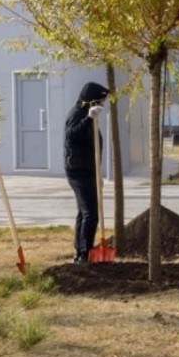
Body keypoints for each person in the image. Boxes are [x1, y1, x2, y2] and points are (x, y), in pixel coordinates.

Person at [64, 82, 110, 264]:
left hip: (88, 170)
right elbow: (72, 135)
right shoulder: (77, 115)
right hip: (78, 170)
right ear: (91, 100)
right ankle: (85, 253)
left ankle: (80, 251)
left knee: (84, 213)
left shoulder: (86, 115)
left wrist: (98, 174)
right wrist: (88, 119)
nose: (101, 105)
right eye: (99, 101)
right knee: (91, 214)